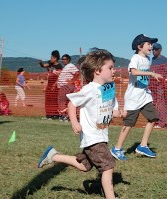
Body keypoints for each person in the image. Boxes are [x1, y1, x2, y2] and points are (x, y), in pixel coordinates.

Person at [37, 49, 126, 199]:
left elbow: (112, 111)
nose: (114, 71)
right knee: (108, 166)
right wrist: (74, 122)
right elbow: (72, 103)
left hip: (101, 136)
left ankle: (53, 156)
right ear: (97, 71)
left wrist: (121, 113)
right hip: (93, 137)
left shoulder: (109, 90)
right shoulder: (89, 89)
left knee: (84, 166)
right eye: (110, 68)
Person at [110, 34, 163, 161]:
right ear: (140, 46)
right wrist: (151, 73)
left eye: (151, 44)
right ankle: (117, 149)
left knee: (153, 117)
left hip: (144, 95)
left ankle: (143, 146)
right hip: (133, 98)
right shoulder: (135, 58)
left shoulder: (147, 59)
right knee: (129, 124)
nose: (151, 46)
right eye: (148, 44)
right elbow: (133, 72)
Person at [39, 50, 63, 120]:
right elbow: (43, 66)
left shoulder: (59, 66)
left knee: (54, 100)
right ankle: (48, 115)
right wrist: (41, 63)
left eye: (52, 57)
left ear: (55, 58)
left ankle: (55, 115)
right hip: (49, 84)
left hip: (55, 85)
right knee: (48, 100)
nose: (50, 59)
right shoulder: (50, 63)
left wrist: (54, 85)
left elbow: (59, 76)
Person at [150, 43, 167, 128]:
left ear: (160, 50)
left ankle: (161, 122)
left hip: (160, 84)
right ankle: (155, 121)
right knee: (153, 103)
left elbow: (166, 72)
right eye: (153, 49)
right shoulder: (153, 59)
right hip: (152, 84)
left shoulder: (164, 60)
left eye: (156, 49)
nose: (154, 51)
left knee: (161, 103)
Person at [57, 54, 79, 121]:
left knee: (61, 100)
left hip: (66, 86)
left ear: (68, 60)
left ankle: (63, 116)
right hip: (65, 86)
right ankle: (68, 116)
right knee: (68, 101)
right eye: (62, 59)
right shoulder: (67, 67)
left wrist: (72, 80)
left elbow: (77, 73)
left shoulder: (70, 66)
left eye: (64, 59)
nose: (63, 60)